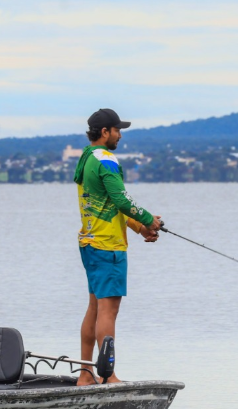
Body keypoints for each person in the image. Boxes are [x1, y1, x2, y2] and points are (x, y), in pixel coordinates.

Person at [74, 108, 163, 385]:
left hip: (90, 243)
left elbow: (110, 204)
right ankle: (108, 376)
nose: (120, 136)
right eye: (117, 130)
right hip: (108, 247)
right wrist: (149, 219)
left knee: (94, 309)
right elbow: (123, 201)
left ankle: (86, 374)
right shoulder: (106, 160)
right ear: (105, 133)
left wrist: (139, 227)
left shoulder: (87, 158)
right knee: (108, 311)